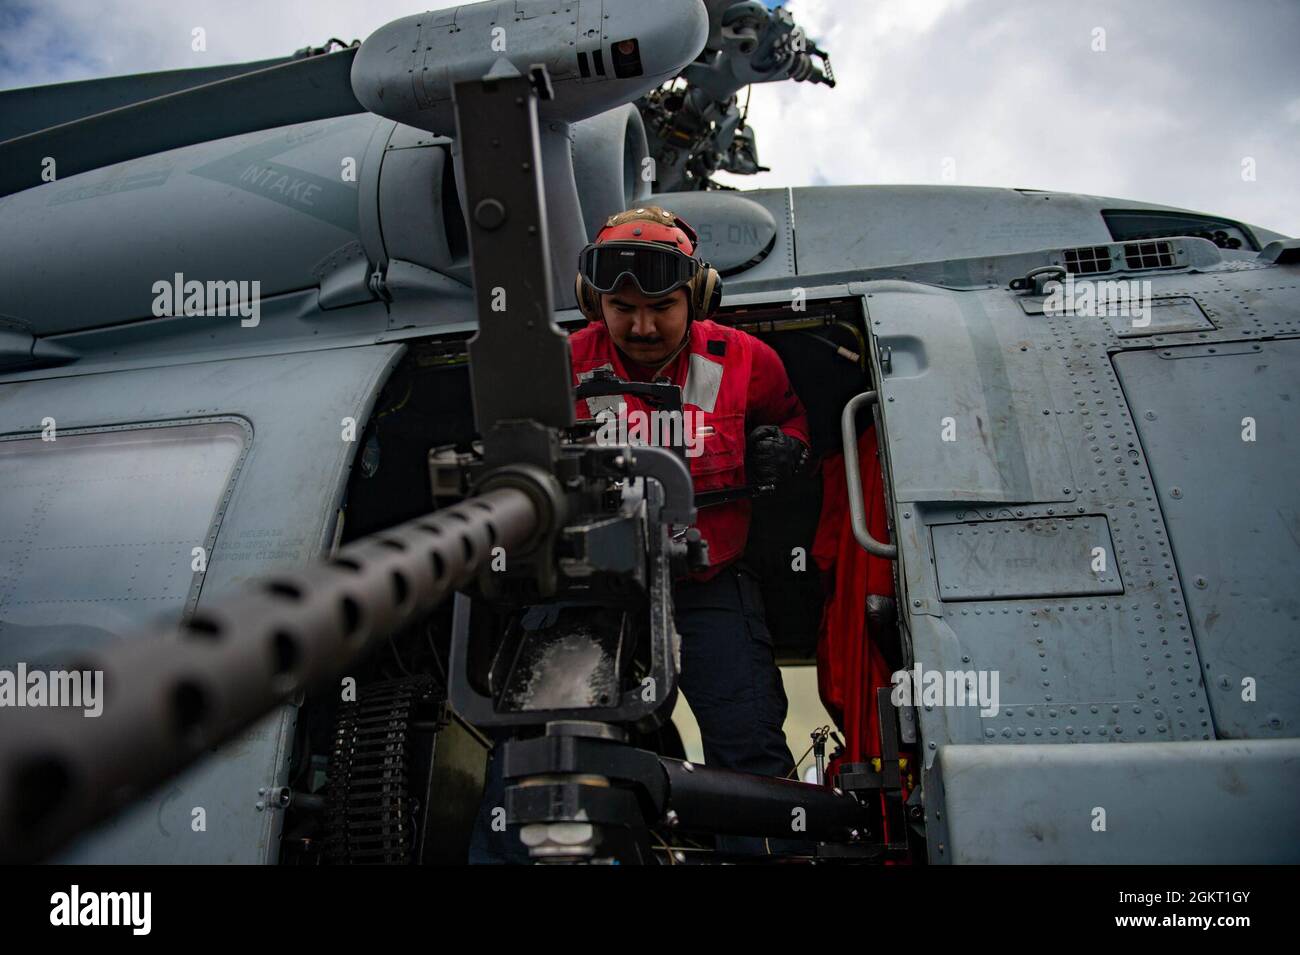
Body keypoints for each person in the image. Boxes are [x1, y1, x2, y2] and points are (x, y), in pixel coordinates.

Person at [469, 206, 811, 861]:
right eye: (622, 308)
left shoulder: (749, 361)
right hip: (587, 586)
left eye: (662, 307)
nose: (643, 325)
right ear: (593, 300)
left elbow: (792, 418)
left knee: (749, 748)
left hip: (710, 580)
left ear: (698, 296)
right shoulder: (560, 366)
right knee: (539, 751)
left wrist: (784, 448)